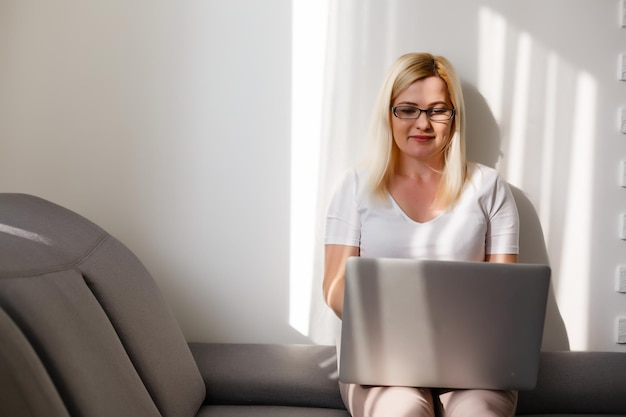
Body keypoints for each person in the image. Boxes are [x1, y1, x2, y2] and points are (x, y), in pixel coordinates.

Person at [322, 52, 520, 417]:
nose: (423, 123)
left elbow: (507, 297)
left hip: (473, 365)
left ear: (454, 116)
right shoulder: (354, 186)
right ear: (389, 113)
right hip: (380, 361)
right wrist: (398, 331)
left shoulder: (489, 187)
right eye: (408, 109)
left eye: (437, 110)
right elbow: (334, 289)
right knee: (402, 412)